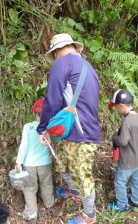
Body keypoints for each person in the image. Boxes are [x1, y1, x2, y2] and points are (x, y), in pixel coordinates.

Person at [36, 33, 100, 224]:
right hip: (80, 130)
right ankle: (75, 192)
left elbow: (53, 99)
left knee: (82, 174)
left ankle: (89, 215)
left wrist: (43, 128)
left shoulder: (61, 63)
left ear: (56, 52)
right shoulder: (88, 67)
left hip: (81, 132)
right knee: (62, 163)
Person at [15, 98, 54, 222]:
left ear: (34, 112)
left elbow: (24, 145)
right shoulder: (49, 127)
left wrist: (18, 162)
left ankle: (31, 213)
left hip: (29, 164)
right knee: (46, 183)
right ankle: (49, 204)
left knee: (29, 188)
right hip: (45, 163)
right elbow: (55, 141)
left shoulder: (27, 127)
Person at [108, 89, 138, 212]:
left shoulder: (126, 121)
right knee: (136, 180)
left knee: (119, 181)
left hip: (128, 160)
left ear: (121, 106)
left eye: (116, 107)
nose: (117, 110)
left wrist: (114, 138)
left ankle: (122, 205)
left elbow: (123, 141)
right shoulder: (137, 117)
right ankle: (136, 201)